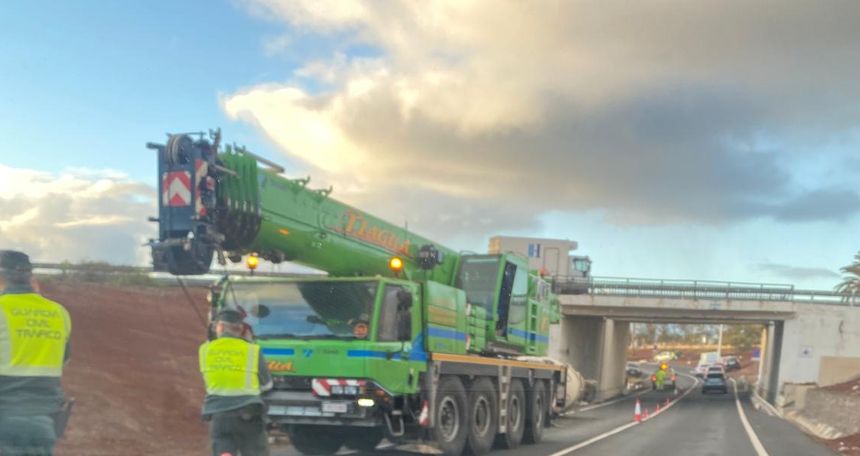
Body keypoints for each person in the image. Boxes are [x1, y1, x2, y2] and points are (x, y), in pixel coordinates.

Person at [0, 250, 72, 456]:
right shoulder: (59, 313)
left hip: (6, 421)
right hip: (45, 423)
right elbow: (64, 359)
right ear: (30, 277)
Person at [200, 309, 273, 456]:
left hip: (218, 415)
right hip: (248, 414)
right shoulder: (252, 350)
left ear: (217, 327)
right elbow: (267, 385)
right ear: (241, 329)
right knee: (255, 451)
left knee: (223, 449)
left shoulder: (204, 350)